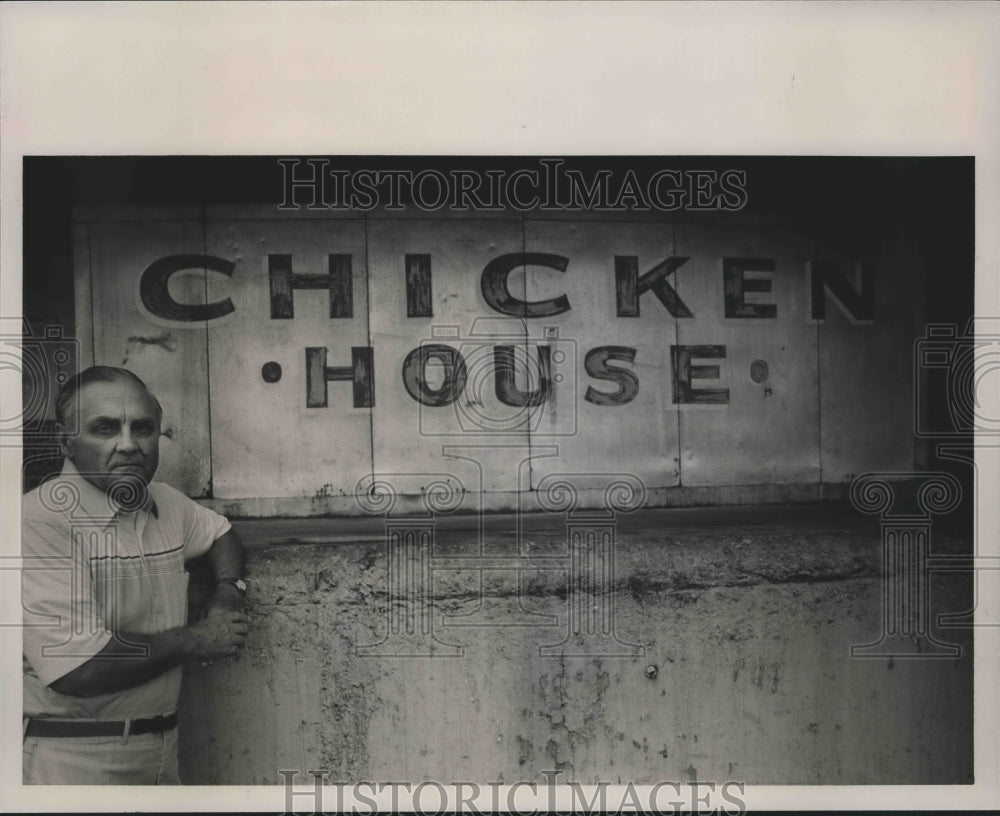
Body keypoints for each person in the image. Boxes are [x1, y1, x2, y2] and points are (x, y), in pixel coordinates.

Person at [21, 365, 250, 785]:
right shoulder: (38, 521)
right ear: (65, 442)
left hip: (162, 750)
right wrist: (197, 637)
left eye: (142, 428)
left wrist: (228, 589)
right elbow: (77, 668)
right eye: (105, 429)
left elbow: (222, 534)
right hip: (72, 761)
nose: (128, 445)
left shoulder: (165, 503)